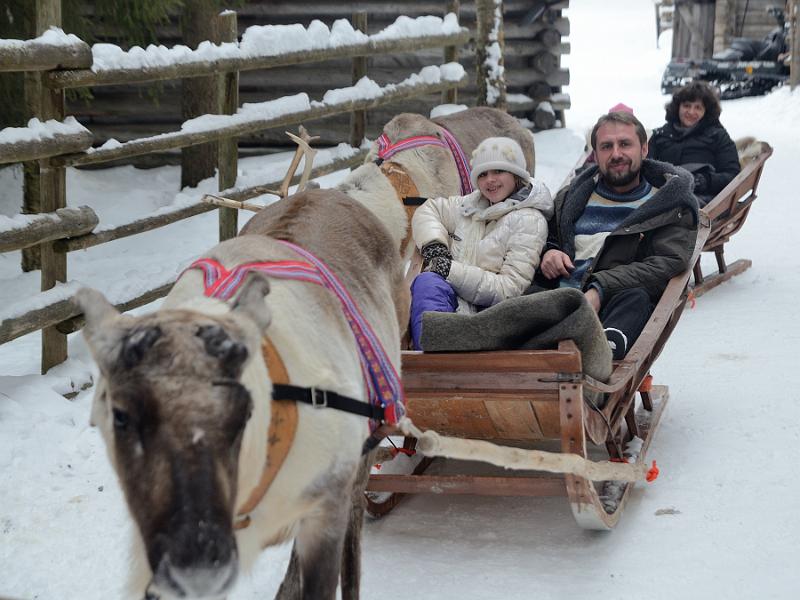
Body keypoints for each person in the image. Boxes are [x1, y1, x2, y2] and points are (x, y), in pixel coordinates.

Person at [535, 111, 699, 359]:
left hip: (613, 308)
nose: (616, 154)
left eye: (625, 144)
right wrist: (550, 251)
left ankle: (604, 349)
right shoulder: (571, 198)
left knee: (636, 298)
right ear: (595, 154)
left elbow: (667, 262)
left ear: (644, 149)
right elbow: (545, 236)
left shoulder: (669, 204)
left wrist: (601, 289)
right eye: (606, 146)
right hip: (559, 301)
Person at [409, 136, 553, 350]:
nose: (490, 180)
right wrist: (435, 246)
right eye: (483, 174)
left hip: (491, 318)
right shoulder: (469, 207)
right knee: (427, 282)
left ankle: (436, 358)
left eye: (498, 171)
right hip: (456, 304)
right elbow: (428, 210)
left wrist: (450, 271)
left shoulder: (528, 220)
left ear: (516, 175)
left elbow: (510, 289)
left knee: (431, 282)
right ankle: (430, 355)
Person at [648, 81, 741, 206]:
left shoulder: (717, 136)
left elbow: (732, 174)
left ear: (706, 111)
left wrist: (705, 181)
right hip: (663, 195)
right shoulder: (659, 135)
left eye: (698, 107)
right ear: (678, 107)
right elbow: (647, 169)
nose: (691, 112)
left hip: (702, 201)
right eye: (687, 106)